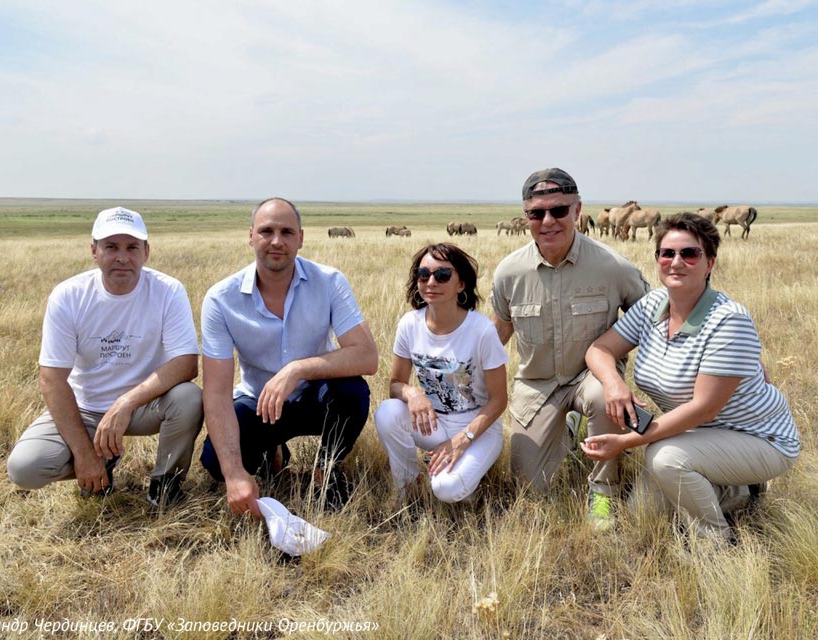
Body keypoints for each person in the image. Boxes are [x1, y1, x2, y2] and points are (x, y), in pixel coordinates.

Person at [582, 212, 800, 542]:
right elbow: (599, 349)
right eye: (667, 253)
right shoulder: (653, 303)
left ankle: (713, 541)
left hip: (757, 437)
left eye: (690, 253)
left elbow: (704, 409)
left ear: (710, 263)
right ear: (657, 259)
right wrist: (614, 384)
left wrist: (627, 442)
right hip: (696, 434)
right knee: (644, 511)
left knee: (665, 458)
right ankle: (736, 493)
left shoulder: (729, 321)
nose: (676, 262)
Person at [7, 207, 203, 507]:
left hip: (144, 406)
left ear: (146, 252)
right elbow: (51, 379)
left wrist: (125, 403)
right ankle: (99, 463)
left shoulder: (168, 290)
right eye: (111, 247)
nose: (122, 257)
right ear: (94, 251)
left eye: (132, 247)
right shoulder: (68, 295)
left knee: (189, 398)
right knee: (25, 468)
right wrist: (84, 454)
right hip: (85, 408)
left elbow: (186, 363)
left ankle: (165, 487)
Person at [490, 168, 649, 527]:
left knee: (599, 398)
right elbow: (497, 334)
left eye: (559, 211)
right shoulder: (508, 273)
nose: (548, 221)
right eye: (537, 213)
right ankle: (569, 427)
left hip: (592, 377)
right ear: (526, 216)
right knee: (529, 492)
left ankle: (603, 494)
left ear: (578, 211)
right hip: (537, 385)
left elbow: (655, 315)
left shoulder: (612, 266)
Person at [199, 197, 378, 516]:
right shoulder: (220, 299)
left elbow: (367, 356)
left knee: (351, 391)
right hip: (259, 403)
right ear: (251, 236)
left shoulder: (329, 282)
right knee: (215, 462)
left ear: (301, 238)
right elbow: (215, 393)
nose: (277, 241)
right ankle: (273, 451)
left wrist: (296, 369)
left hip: (315, 398)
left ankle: (326, 470)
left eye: (287, 231)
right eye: (267, 231)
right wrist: (234, 473)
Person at [375, 243, 508, 505]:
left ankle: (471, 484)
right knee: (388, 412)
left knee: (445, 490)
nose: (431, 282)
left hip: (479, 428)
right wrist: (412, 393)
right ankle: (406, 488)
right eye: (423, 275)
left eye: (442, 275)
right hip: (435, 423)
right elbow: (395, 384)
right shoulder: (409, 324)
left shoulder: (481, 331)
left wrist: (463, 439)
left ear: (461, 284)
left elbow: (499, 401)